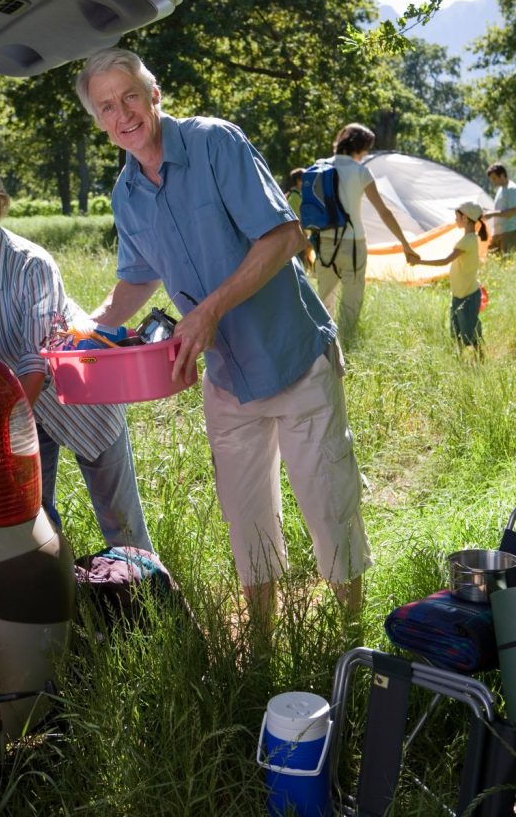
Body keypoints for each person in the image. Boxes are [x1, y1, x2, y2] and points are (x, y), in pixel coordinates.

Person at [75, 48, 373, 625]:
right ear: (100, 121)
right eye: (106, 107)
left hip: (293, 357)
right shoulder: (126, 195)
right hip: (227, 378)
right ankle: (260, 647)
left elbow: (284, 237)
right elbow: (135, 281)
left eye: (130, 96)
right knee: (246, 521)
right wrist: (82, 331)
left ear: (154, 95)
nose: (122, 114)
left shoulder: (215, 143)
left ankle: (351, 636)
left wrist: (208, 311)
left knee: (328, 506)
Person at [0, 149, 153, 552]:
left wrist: (5, 432)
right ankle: (61, 586)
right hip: (12, 412)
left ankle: (148, 586)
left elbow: (36, 362)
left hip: (80, 399)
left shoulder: (32, 264)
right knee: (30, 522)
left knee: (122, 526)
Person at [316, 123, 420, 343]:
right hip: (353, 244)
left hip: (324, 243)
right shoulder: (361, 172)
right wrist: (405, 244)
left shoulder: (319, 167)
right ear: (361, 148)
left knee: (324, 301)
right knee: (351, 302)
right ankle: (346, 347)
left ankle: (324, 349)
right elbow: (384, 212)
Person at [411, 201, 488, 356]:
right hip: (460, 294)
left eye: (457, 216)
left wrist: (419, 262)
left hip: (467, 295)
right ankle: (461, 361)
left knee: (470, 334)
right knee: (457, 332)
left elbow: (445, 261)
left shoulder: (467, 240)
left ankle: (481, 360)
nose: (455, 220)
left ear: (465, 218)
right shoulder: (470, 238)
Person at [484, 163, 516, 255]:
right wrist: (488, 211)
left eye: (494, 178)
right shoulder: (501, 189)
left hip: (508, 232)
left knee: (506, 260)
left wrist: (492, 214)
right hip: (497, 232)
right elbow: (501, 209)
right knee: (492, 260)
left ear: (502, 175)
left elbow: (512, 212)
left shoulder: (512, 189)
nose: (492, 181)